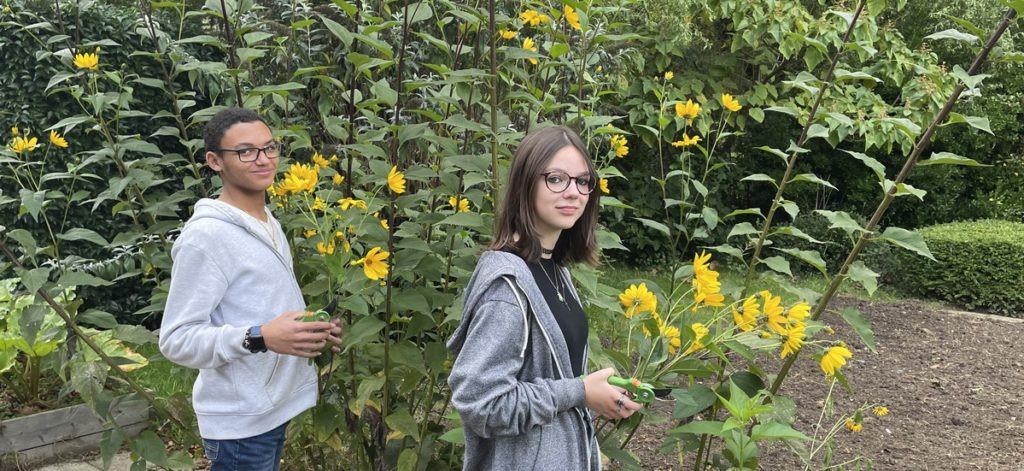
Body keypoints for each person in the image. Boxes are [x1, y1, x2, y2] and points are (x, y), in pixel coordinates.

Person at [447, 125, 641, 470]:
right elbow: (480, 401)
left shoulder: (556, 271)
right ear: (526, 184)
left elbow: (553, 376)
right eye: (556, 179)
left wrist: (597, 391)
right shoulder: (506, 286)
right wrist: (579, 392)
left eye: (583, 181)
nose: (574, 192)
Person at [159, 107, 342, 471]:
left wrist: (309, 329)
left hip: (270, 409)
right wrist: (261, 337)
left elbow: (259, 306)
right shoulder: (206, 237)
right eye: (245, 151)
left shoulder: (265, 220)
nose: (263, 160)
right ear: (214, 161)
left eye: (269, 148)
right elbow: (176, 339)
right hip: (239, 423)